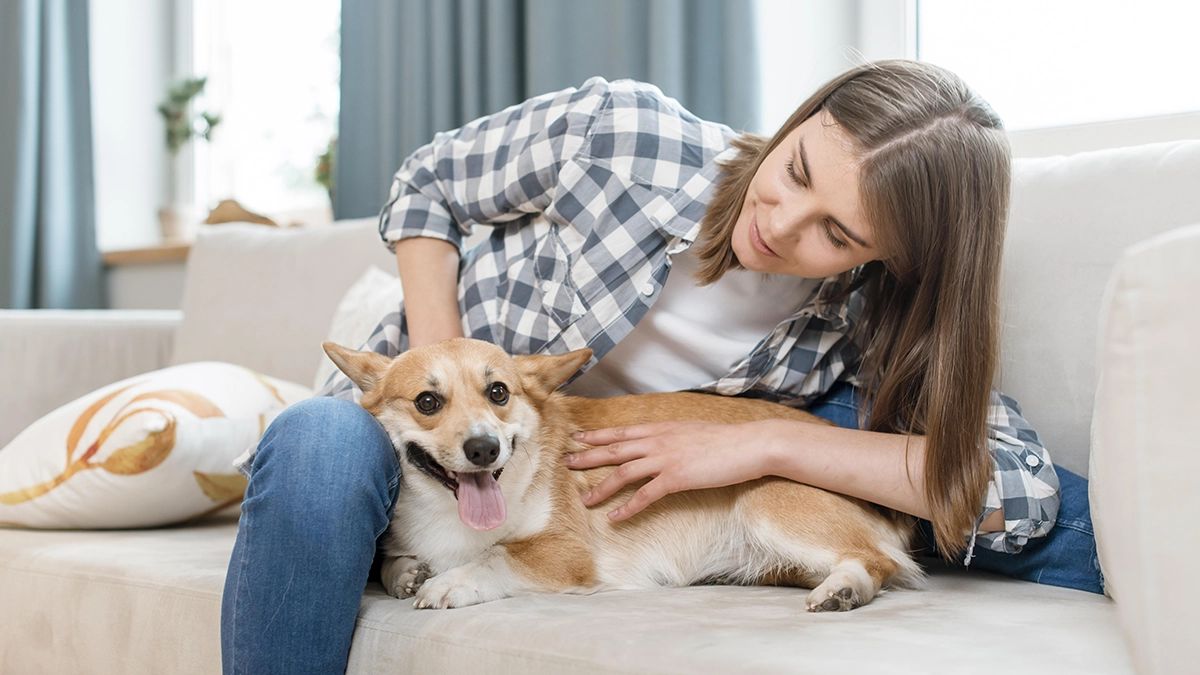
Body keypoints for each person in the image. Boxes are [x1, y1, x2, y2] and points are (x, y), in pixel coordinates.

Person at [220, 60, 1102, 675]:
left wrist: (764, 445)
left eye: (839, 233)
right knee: (314, 447)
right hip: (437, 415)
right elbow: (426, 184)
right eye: (794, 169)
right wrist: (443, 381)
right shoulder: (628, 137)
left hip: (620, 470)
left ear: (892, 259)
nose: (782, 224)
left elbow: (1016, 491)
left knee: (1088, 517)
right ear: (795, 121)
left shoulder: (865, 314)